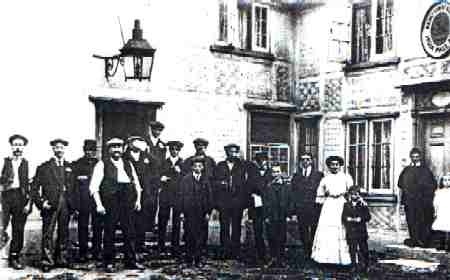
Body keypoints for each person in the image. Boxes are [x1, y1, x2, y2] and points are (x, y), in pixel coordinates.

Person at [89, 138, 144, 272]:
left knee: (130, 232)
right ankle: (109, 262)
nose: (116, 150)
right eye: (113, 147)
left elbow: (136, 183)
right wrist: (99, 205)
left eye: (119, 147)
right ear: (109, 150)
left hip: (127, 201)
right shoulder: (102, 164)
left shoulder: (128, 164)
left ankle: (130, 261)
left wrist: (138, 200)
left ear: (123, 148)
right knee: (109, 232)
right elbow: (94, 187)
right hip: (111, 202)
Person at [31, 138, 74, 272]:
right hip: (50, 204)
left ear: (64, 149)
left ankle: (62, 259)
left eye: (61, 147)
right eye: (57, 147)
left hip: (65, 203)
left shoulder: (69, 166)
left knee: (64, 232)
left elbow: (73, 187)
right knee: (48, 233)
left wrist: (73, 204)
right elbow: (34, 188)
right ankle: (47, 261)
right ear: (53, 149)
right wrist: (41, 202)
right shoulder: (44, 167)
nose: (59, 150)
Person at [311, 155, 352, 266]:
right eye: (332, 165)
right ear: (329, 166)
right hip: (329, 205)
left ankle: (342, 258)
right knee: (327, 228)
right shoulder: (325, 178)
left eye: (336, 165)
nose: (334, 167)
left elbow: (352, 192)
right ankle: (325, 258)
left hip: (341, 204)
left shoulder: (346, 177)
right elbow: (319, 193)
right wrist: (323, 198)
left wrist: (349, 202)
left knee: (341, 227)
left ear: (340, 166)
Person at [124, 136, 160, 260]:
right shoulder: (124, 157)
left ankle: (140, 243)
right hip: (129, 193)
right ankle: (130, 246)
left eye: (140, 142)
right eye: (135, 142)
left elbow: (155, 172)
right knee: (130, 219)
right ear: (129, 144)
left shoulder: (147, 157)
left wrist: (152, 190)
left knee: (142, 220)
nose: (138, 144)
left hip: (145, 193)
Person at [0, 134, 32, 269]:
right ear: (11, 146)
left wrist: (29, 203)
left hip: (21, 197)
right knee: (1, 227)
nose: (17, 147)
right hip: (5, 197)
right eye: (15, 144)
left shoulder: (28, 163)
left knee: (18, 229)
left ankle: (14, 257)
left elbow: (32, 186)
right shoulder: (4, 161)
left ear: (23, 147)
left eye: (20, 145)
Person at [213, 143, 249, 260]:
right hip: (224, 202)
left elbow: (245, 184)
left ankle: (235, 251)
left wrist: (243, 201)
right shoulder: (220, 166)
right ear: (226, 153)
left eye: (234, 152)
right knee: (224, 227)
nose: (232, 154)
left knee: (236, 227)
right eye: (230, 152)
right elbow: (214, 182)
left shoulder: (241, 166)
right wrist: (221, 184)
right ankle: (225, 250)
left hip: (237, 202)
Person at [398, 147, 436, 247]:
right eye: (413, 157)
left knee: (422, 221)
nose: (415, 158)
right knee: (411, 221)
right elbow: (400, 183)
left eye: (417, 156)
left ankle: (422, 240)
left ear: (420, 157)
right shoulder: (406, 170)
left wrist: (425, 196)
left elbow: (432, 185)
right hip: (410, 202)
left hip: (422, 202)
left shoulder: (425, 170)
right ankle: (414, 239)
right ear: (410, 157)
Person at [183, 138, 216, 252]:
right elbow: (184, 194)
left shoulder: (210, 162)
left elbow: (210, 192)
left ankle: (201, 252)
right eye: (198, 146)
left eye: (202, 146)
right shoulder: (188, 164)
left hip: (203, 206)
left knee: (202, 231)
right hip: (190, 207)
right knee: (190, 230)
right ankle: (189, 253)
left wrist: (209, 210)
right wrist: (184, 211)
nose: (200, 148)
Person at [71, 139, 101, 263]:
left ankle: (96, 251)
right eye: (88, 150)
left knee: (97, 227)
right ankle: (83, 252)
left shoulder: (99, 164)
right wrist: (75, 206)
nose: (90, 153)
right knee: (82, 227)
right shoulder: (77, 165)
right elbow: (73, 187)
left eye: (93, 151)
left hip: (96, 200)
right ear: (84, 150)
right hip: (82, 201)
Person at [178, 156, 212, 266]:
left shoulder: (205, 180)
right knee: (189, 234)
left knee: (201, 235)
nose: (197, 168)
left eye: (200, 166)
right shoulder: (186, 180)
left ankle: (198, 258)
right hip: (189, 212)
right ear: (192, 167)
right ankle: (189, 257)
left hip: (201, 212)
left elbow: (209, 197)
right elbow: (181, 196)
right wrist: (182, 212)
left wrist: (208, 212)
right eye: (195, 166)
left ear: (202, 168)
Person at [290, 152, 323, 261]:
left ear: (312, 161)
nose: (305, 162)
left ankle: (314, 252)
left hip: (314, 208)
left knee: (314, 229)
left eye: (308, 159)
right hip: (301, 208)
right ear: (300, 162)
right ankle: (306, 252)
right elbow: (293, 193)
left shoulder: (318, 175)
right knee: (303, 230)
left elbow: (321, 192)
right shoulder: (296, 176)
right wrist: (294, 209)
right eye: (303, 159)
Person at [158, 140, 184, 257]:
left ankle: (175, 247)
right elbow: (157, 175)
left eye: (176, 149)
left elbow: (186, 179)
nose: (174, 151)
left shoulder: (183, 163)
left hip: (177, 195)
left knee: (176, 222)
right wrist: (161, 178)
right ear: (169, 150)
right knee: (163, 220)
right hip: (165, 195)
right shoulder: (164, 162)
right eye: (172, 149)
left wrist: (180, 173)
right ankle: (161, 246)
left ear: (179, 151)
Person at [263, 164, 291, 267]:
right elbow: (265, 202)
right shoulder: (267, 187)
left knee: (282, 237)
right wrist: (266, 216)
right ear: (271, 173)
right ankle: (273, 258)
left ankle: (281, 259)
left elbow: (290, 201)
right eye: (274, 172)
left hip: (282, 216)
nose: (276, 174)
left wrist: (288, 215)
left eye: (278, 171)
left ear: (281, 173)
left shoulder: (287, 186)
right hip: (271, 216)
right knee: (271, 237)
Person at [246, 151, 270, 264]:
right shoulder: (252, 173)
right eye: (260, 161)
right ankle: (260, 254)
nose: (263, 163)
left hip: (269, 206)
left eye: (264, 161)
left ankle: (271, 254)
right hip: (256, 207)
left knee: (270, 230)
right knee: (257, 230)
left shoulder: (270, 173)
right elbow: (249, 187)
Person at [342, 186, 371, 273]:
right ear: (350, 195)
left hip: (361, 232)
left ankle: (366, 265)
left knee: (364, 249)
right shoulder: (346, 205)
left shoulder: (362, 205)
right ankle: (353, 265)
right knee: (352, 249)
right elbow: (343, 217)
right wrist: (347, 219)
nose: (354, 196)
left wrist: (361, 219)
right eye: (352, 194)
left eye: (356, 194)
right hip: (351, 231)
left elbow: (368, 217)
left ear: (359, 195)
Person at [432, 173, 450, 251]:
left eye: (449, 180)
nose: (446, 182)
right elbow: (435, 202)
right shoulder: (439, 192)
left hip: (448, 211)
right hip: (442, 211)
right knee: (440, 227)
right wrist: (436, 211)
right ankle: (440, 244)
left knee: (448, 227)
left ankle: (448, 245)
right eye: (445, 180)